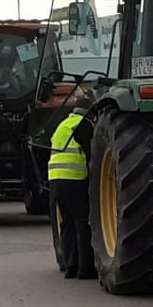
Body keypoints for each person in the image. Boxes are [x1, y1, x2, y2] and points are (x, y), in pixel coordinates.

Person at [48, 111, 94, 279]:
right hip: (73, 180)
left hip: (55, 180)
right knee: (83, 223)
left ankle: (70, 267)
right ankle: (86, 269)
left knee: (67, 224)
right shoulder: (82, 125)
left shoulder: (63, 126)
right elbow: (91, 154)